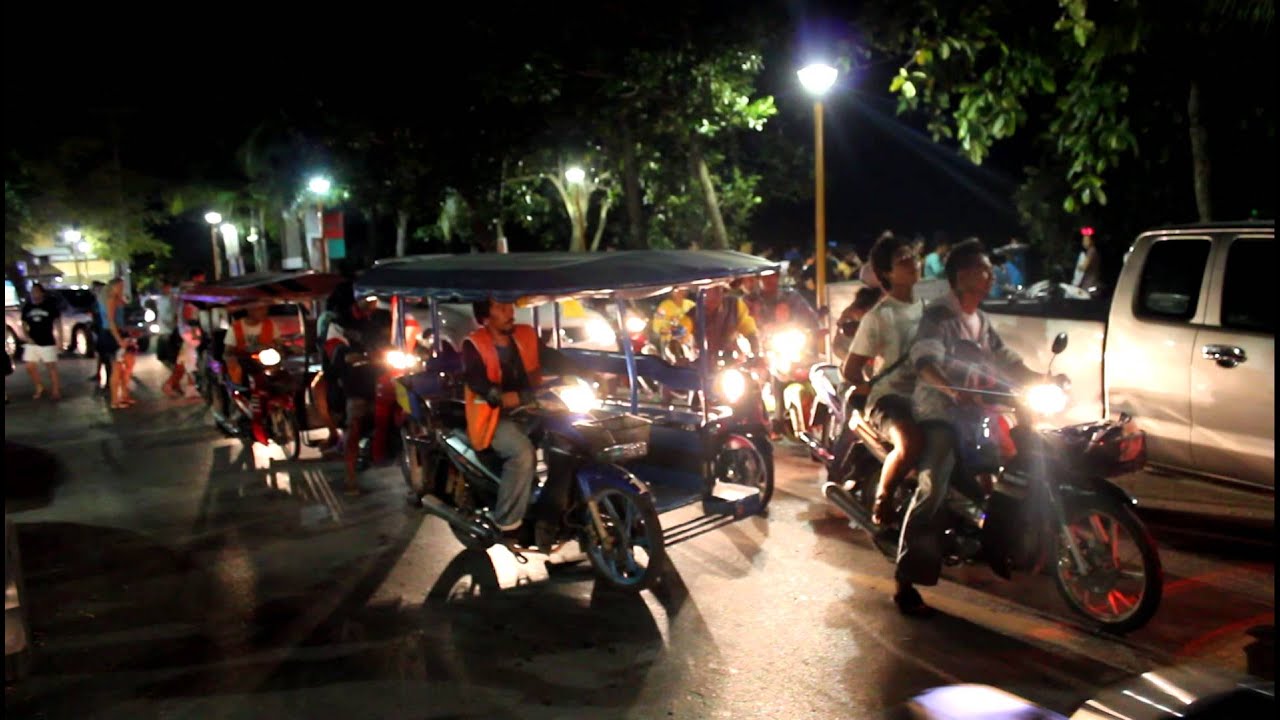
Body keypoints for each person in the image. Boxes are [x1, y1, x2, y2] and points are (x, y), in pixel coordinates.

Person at [898, 239, 1067, 617]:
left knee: (1007, 465)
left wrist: (1044, 379)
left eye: (990, 269)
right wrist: (950, 391)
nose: (990, 276)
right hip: (940, 410)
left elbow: (1006, 360)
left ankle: (999, 541)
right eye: (983, 269)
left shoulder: (981, 319)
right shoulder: (939, 316)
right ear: (961, 276)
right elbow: (925, 360)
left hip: (977, 410)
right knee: (933, 486)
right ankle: (906, 577)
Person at [462, 296, 578, 545]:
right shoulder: (475, 344)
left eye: (509, 305)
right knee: (521, 453)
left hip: (530, 407)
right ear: (485, 315)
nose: (509, 310)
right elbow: (477, 380)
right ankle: (506, 523)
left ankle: (561, 505)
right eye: (500, 307)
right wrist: (497, 395)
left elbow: (551, 357)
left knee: (571, 433)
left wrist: (582, 370)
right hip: (494, 417)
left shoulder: (525, 334)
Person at [840, 235, 924, 528]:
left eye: (912, 256)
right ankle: (883, 499)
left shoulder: (928, 310)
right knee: (910, 443)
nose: (912, 262)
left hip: (927, 397)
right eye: (903, 260)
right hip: (890, 400)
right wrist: (867, 387)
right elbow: (850, 370)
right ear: (886, 273)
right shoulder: (878, 317)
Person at [20, 283, 63, 401]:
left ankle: (56, 390)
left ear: (42, 293)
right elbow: (24, 323)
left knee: (51, 366)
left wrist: (60, 339)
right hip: (32, 341)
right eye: (32, 292)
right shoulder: (27, 307)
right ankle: (39, 386)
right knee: (29, 366)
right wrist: (27, 336)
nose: (34, 294)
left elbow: (58, 322)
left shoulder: (49, 306)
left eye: (36, 291)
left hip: (47, 340)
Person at [100, 277, 135, 409]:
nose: (121, 288)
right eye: (119, 286)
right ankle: (115, 399)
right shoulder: (111, 299)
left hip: (119, 333)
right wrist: (119, 339)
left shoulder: (117, 299)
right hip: (112, 335)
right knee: (117, 367)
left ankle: (124, 395)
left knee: (126, 365)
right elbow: (111, 321)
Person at [698, 284, 760, 357]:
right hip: (702, 360)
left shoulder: (734, 305)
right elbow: (684, 332)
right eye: (712, 289)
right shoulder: (694, 312)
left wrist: (756, 350)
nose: (718, 293)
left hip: (730, 356)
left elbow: (748, 326)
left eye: (719, 289)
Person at [224, 304, 277, 386]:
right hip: (244, 361)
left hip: (266, 359)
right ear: (250, 310)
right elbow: (228, 350)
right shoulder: (235, 327)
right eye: (260, 309)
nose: (265, 312)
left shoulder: (270, 324)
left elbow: (278, 342)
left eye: (265, 309)